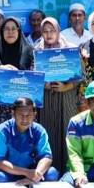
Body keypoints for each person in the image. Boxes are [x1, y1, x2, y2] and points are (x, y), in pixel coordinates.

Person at [32, 17, 78, 173]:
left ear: (58, 31)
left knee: (68, 134)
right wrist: (42, 84)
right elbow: (32, 76)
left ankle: (70, 172)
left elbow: (80, 76)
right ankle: (51, 172)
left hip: (67, 97)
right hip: (47, 99)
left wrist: (66, 87)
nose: (49, 34)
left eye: (52, 30)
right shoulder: (37, 50)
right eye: (45, 31)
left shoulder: (70, 49)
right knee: (49, 133)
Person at [0, 97, 59, 184]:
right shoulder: (1, 131)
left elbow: (46, 157)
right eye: (21, 115)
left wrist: (37, 174)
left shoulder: (39, 131)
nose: (25, 119)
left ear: (34, 114)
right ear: (13, 114)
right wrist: (26, 172)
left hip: (33, 171)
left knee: (52, 174)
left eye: (28, 115)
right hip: (9, 172)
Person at [0, 17, 35, 130]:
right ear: (2, 31)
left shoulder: (30, 51)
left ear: (19, 31)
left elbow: (35, 78)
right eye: (7, 29)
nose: (10, 32)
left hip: (24, 109)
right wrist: (1, 69)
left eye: (14, 28)